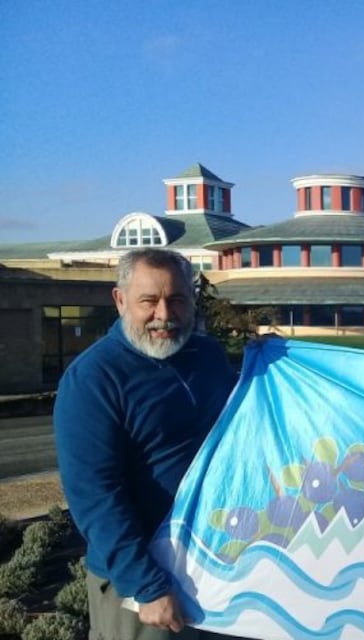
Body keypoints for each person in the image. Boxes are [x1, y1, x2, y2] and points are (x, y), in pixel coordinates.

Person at [54, 248, 238, 639]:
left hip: (217, 563)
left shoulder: (207, 355)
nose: (164, 314)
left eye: (176, 300)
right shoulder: (94, 379)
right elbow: (95, 495)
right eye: (149, 301)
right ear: (120, 301)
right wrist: (147, 584)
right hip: (142, 584)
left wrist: (271, 361)